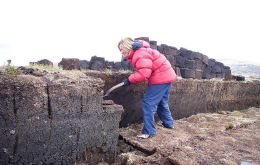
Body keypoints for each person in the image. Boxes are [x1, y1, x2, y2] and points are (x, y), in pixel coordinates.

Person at [118, 37, 177, 139]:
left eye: (121, 49)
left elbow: (143, 74)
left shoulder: (139, 54)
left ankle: (149, 131)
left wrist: (129, 80)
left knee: (148, 103)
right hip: (167, 76)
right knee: (162, 102)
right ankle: (169, 123)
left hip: (161, 77)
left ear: (127, 47)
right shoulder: (142, 50)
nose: (121, 51)